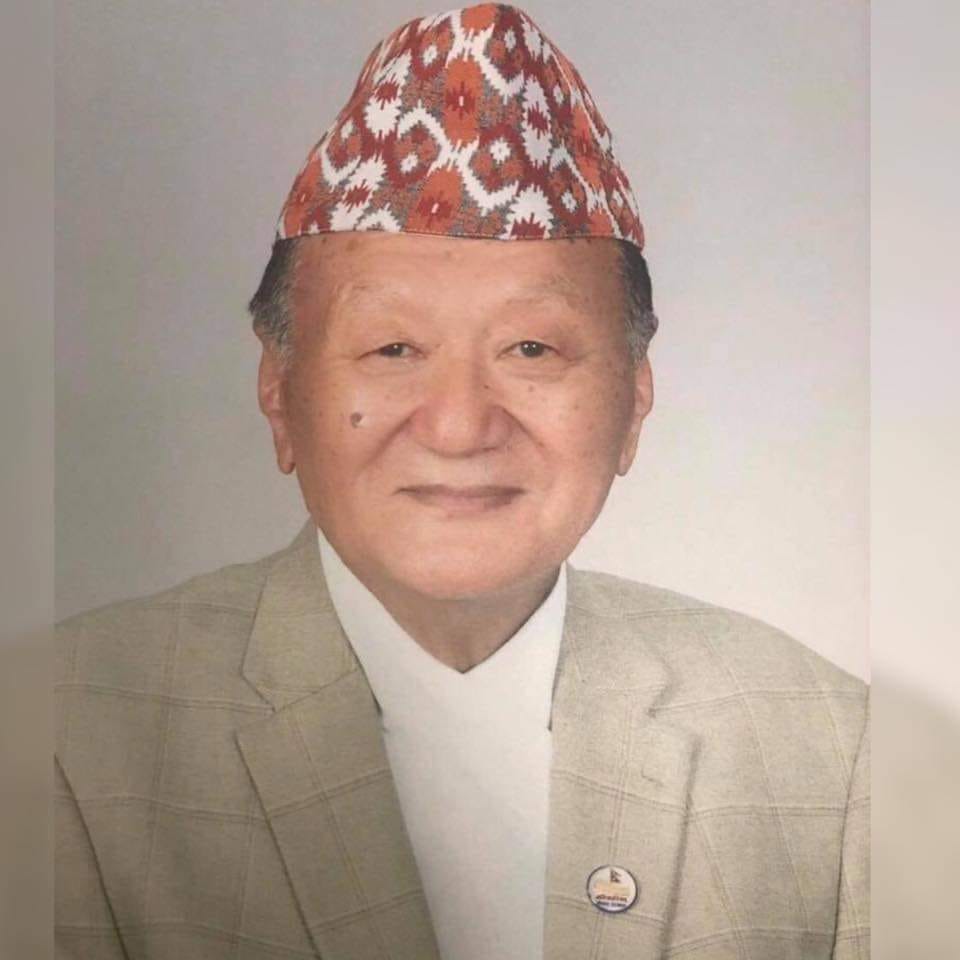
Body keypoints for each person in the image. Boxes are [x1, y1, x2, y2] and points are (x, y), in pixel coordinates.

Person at [54, 5, 869, 959]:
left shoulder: (828, 747)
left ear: (634, 403)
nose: (458, 425)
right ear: (280, 395)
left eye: (532, 349)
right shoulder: (65, 732)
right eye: (392, 348)